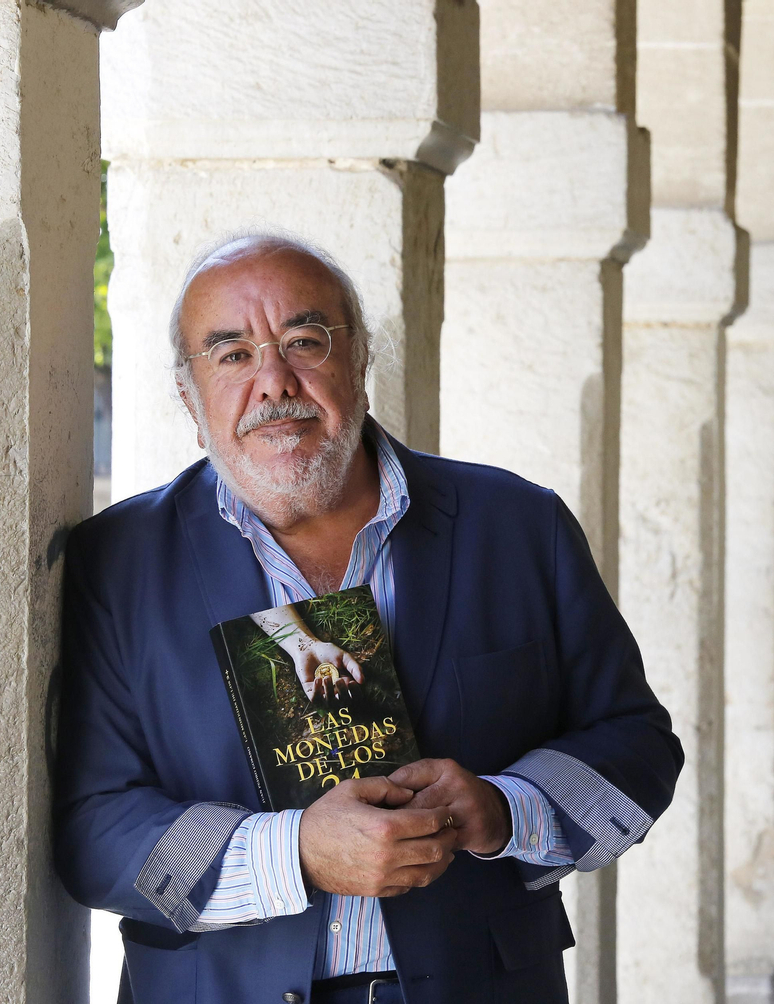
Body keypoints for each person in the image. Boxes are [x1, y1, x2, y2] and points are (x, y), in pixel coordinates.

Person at [53, 233, 684, 1004]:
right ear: (189, 397)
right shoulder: (117, 562)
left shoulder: (519, 527)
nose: (273, 382)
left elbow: (638, 749)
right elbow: (94, 829)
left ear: (359, 362)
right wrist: (292, 855)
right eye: (232, 356)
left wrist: (503, 808)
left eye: (304, 342)